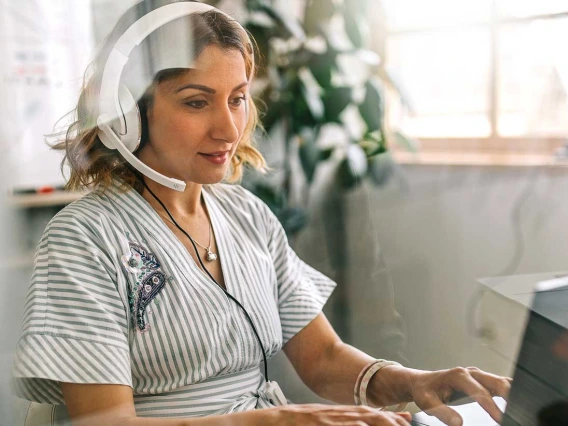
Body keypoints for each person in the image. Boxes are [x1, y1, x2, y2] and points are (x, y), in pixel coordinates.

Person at [11, 1, 511, 425]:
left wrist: (417, 381)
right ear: (126, 114)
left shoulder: (247, 214)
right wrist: (274, 420)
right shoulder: (83, 238)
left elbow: (323, 359)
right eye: (196, 102)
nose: (229, 129)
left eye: (238, 99)